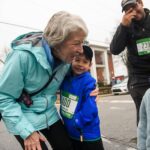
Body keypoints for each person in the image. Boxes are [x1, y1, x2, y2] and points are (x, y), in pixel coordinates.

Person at [0, 11, 91, 150]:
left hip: (49, 112)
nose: (81, 50)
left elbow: (77, 76)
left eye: (82, 43)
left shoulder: (66, 60)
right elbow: (4, 97)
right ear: (58, 41)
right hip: (23, 114)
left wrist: (90, 87)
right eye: (77, 43)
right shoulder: (21, 57)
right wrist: (27, 132)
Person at [110, 0, 150, 125]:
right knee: (145, 117)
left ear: (141, 3)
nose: (133, 11)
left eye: (134, 6)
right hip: (139, 79)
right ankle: (144, 143)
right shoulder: (127, 26)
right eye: (128, 10)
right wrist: (123, 26)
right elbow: (115, 49)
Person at [60, 45, 104, 150]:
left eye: (85, 62)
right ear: (72, 60)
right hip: (71, 132)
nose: (80, 64)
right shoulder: (65, 79)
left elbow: (90, 107)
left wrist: (77, 121)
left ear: (90, 65)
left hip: (88, 135)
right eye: (77, 60)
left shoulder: (88, 82)